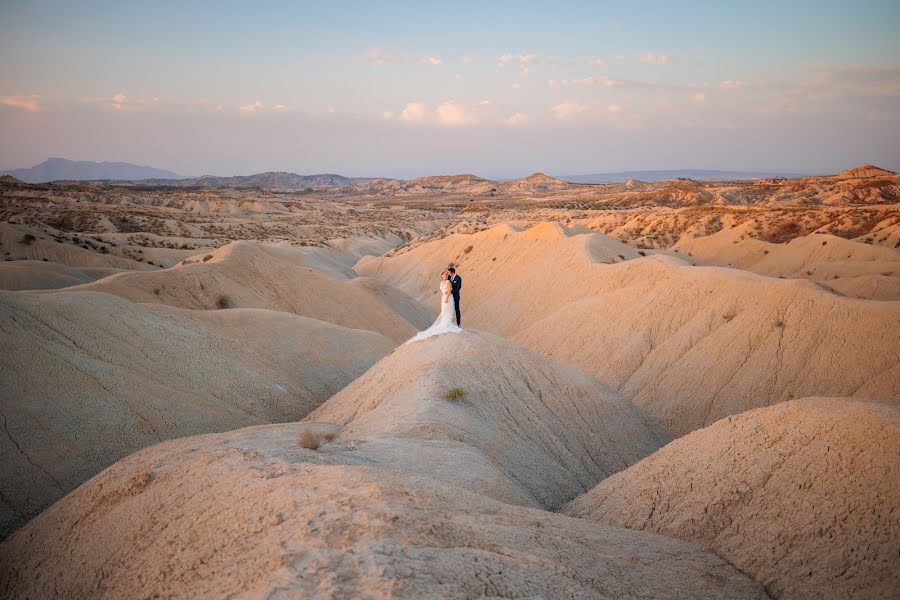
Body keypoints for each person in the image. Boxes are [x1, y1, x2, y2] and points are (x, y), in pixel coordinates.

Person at [405, 270, 462, 343]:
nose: (445, 276)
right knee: (444, 310)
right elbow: (442, 291)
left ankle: (448, 323)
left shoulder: (448, 282)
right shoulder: (441, 282)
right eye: (444, 275)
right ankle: (444, 322)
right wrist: (442, 296)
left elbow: (450, 289)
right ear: (441, 276)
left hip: (448, 298)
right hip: (443, 298)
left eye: (446, 275)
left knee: (448, 310)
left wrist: (447, 298)